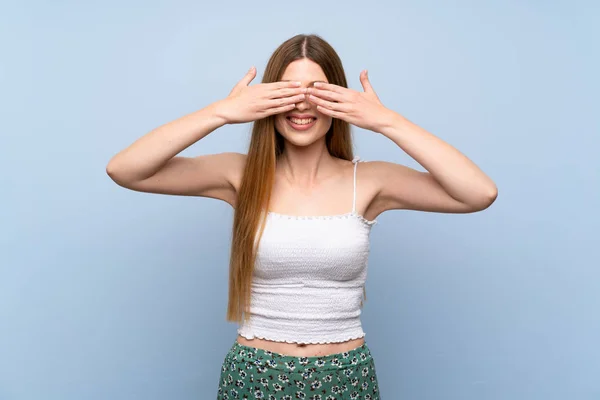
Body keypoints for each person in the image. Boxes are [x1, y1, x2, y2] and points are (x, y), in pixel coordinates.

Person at [106, 33, 497, 399]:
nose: (302, 104)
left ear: (340, 99)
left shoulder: (371, 180)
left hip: (346, 375)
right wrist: (222, 112)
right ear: (267, 99)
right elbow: (126, 169)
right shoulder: (239, 175)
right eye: (289, 91)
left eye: (317, 91)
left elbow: (479, 193)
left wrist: (387, 121)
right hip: (255, 373)